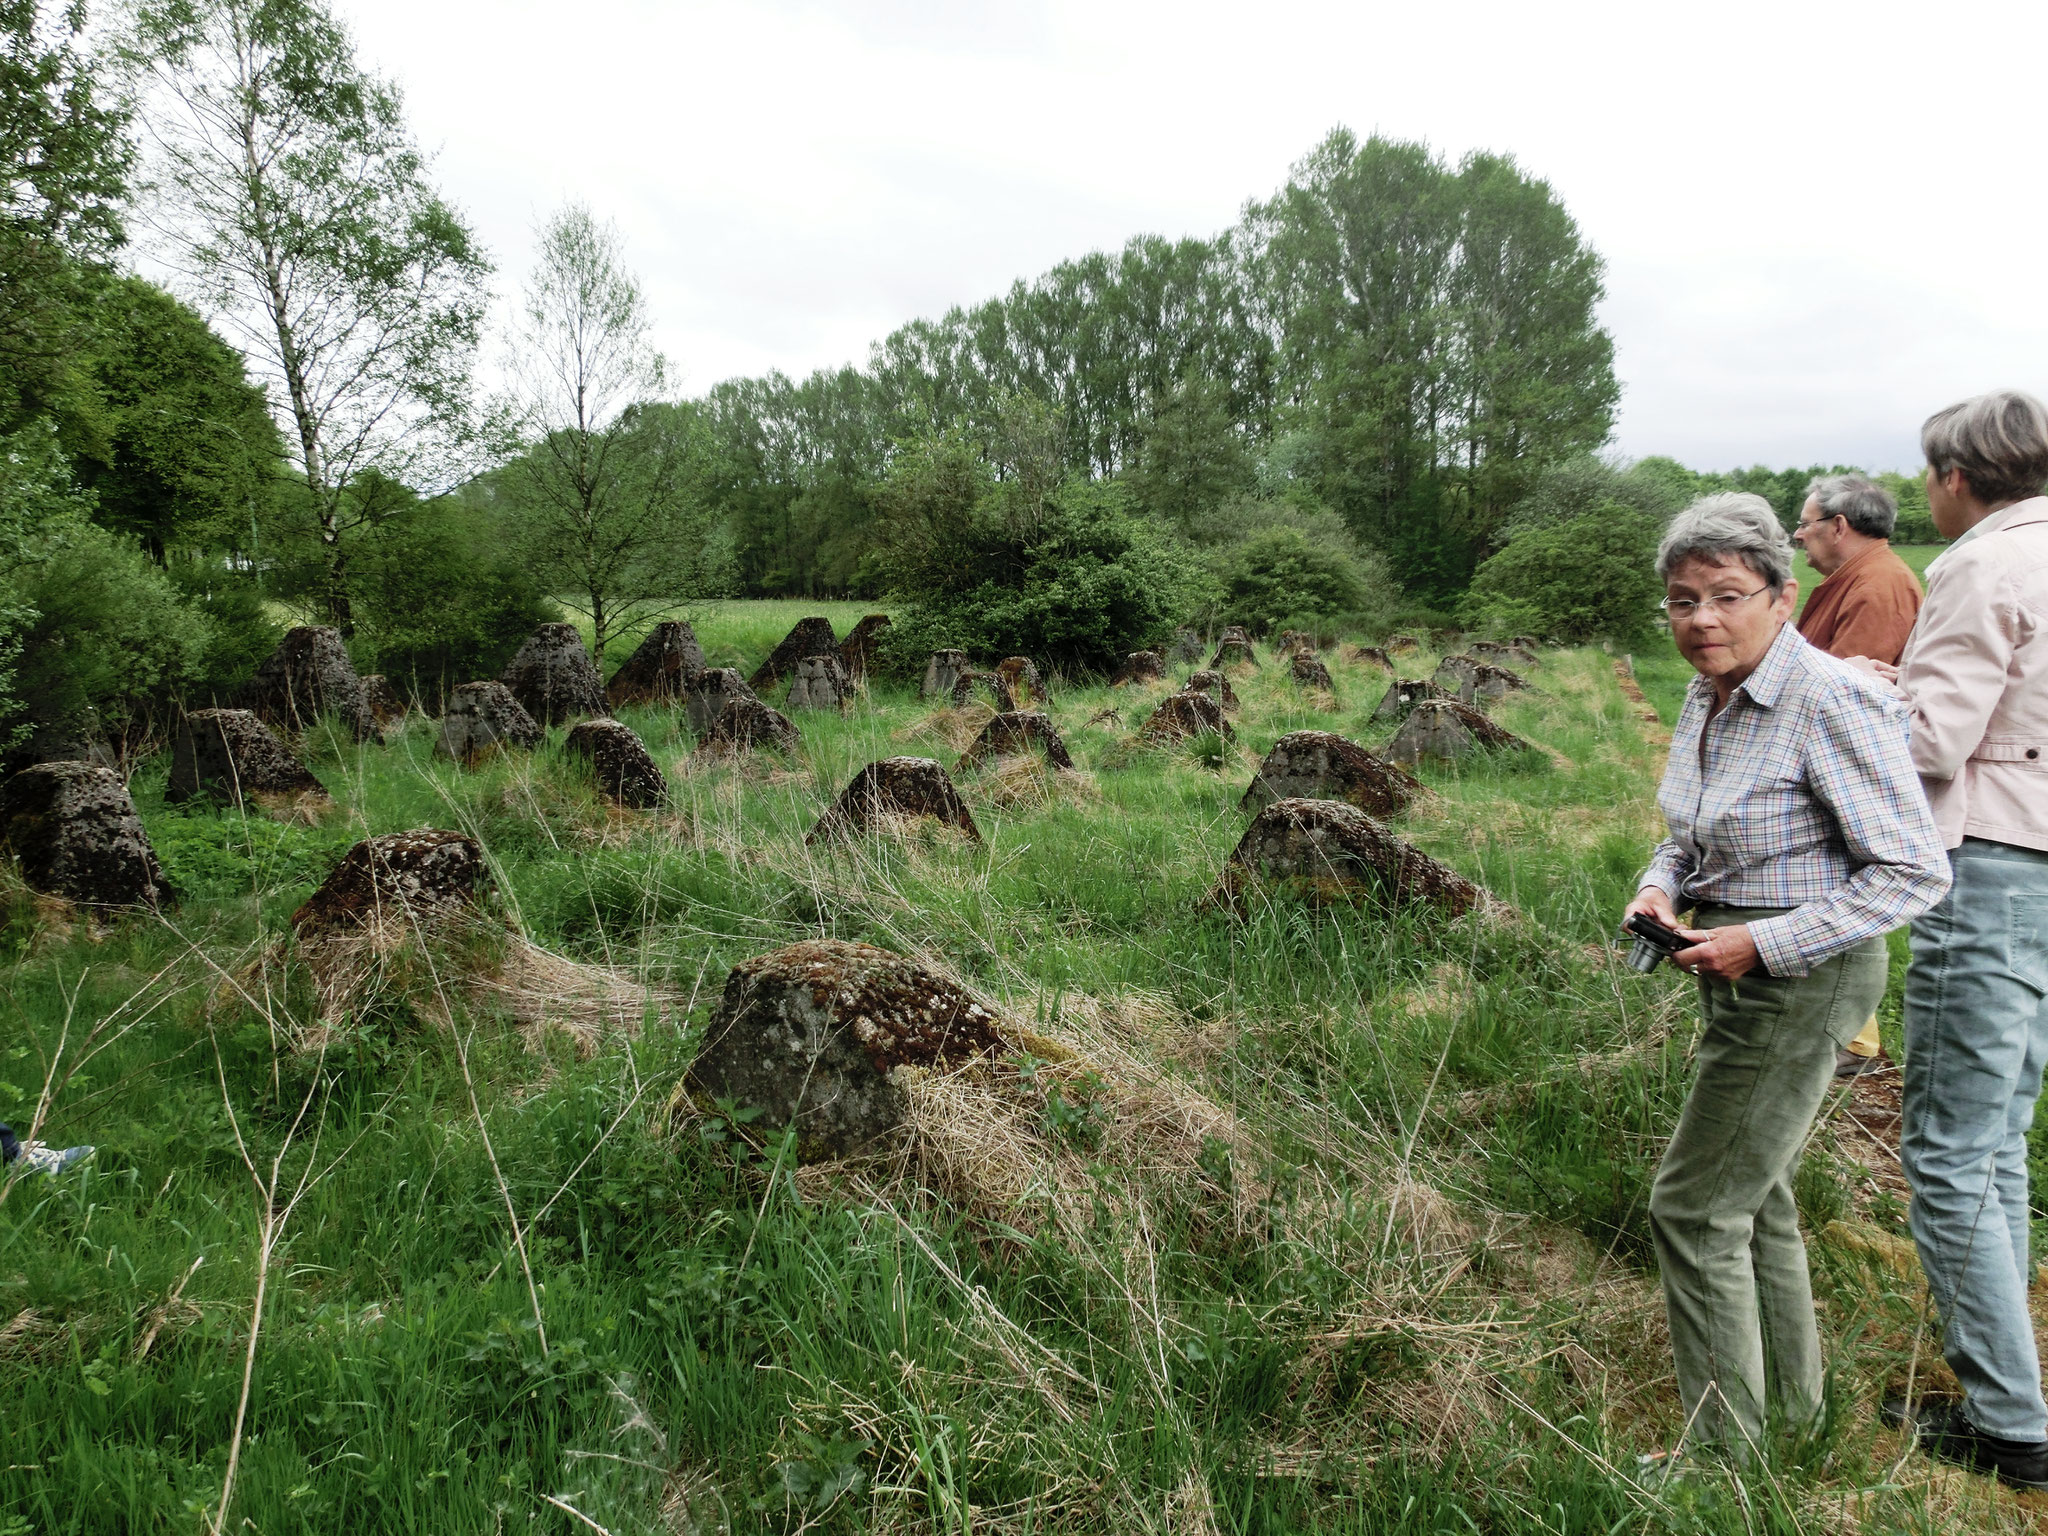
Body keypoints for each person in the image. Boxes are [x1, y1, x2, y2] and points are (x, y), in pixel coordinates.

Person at [1624, 493, 1949, 1461]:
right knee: (1750, 1194)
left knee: (1692, 1208)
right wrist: (1657, 886)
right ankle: (1792, 1425)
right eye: (1681, 601)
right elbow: (1689, 833)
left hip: (1797, 980)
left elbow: (1911, 871)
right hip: (1727, 969)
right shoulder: (1705, 691)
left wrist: (1757, 945)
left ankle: (1720, 1459)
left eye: (1726, 596)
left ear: (1779, 593)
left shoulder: (1826, 700)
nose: (1700, 621)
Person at [1877, 391, 2048, 1492]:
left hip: (1985, 861)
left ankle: (2009, 1426)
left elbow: (1935, 738)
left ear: (1954, 474)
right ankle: (2009, 1386)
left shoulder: (1983, 565)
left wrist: (1857, 692)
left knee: (1943, 1149)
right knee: (1996, 1138)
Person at [1791, 472, 1926, 1078]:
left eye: (1806, 523)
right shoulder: (1856, 578)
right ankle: (1839, 1028)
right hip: (1821, 760)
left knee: (1838, 887)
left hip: (1839, 766)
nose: (1799, 536)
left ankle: (1850, 1037)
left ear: (1839, 526)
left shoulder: (1879, 585)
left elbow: (1850, 689)